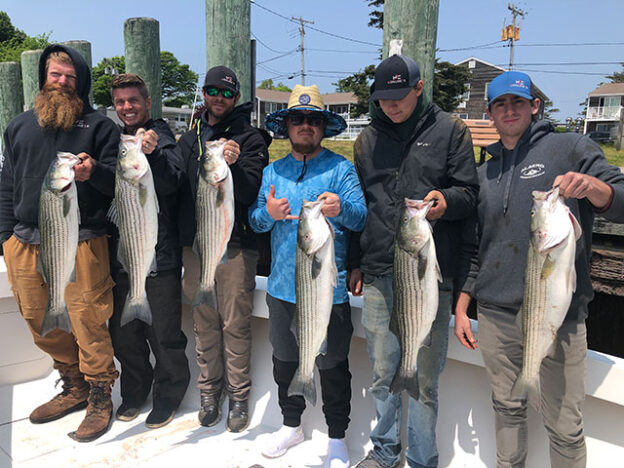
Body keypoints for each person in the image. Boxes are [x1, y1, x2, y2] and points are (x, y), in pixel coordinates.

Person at [454, 71, 624, 468]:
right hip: (496, 317)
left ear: (534, 106)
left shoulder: (570, 147)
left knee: (565, 427)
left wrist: (594, 189)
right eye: (500, 104)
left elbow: (621, 199)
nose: (509, 110)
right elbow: (476, 248)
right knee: (507, 409)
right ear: (491, 114)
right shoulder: (484, 174)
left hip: (559, 320)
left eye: (517, 102)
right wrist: (464, 305)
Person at [350, 54, 479, 468]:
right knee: (383, 373)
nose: (392, 105)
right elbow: (363, 205)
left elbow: (468, 194)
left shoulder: (451, 131)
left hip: (427, 275)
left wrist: (447, 201)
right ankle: (385, 453)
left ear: (419, 88)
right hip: (377, 274)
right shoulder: (367, 139)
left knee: (425, 379)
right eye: (383, 98)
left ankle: (424, 460)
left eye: (400, 96)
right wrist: (356, 260)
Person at [0, 44, 119, 442]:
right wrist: (5, 240)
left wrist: (94, 173)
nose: (62, 83)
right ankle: (74, 384)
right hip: (25, 239)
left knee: (88, 320)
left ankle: (100, 393)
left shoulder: (100, 127)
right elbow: (7, 186)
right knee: (38, 318)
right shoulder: (18, 127)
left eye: (70, 77)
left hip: (82, 238)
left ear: (80, 83)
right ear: (44, 78)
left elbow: (122, 186)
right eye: (56, 75)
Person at [249, 84, 367, 468]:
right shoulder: (272, 171)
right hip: (283, 289)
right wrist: (269, 213)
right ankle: (291, 424)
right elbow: (254, 222)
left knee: (332, 366)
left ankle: (336, 437)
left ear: (323, 127)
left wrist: (340, 207)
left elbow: (361, 217)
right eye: (297, 119)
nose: (304, 126)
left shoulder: (341, 168)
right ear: (286, 126)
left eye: (313, 120)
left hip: (327, 290)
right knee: (285, 361)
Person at [178, 66, 270, 432]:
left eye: (227, 92)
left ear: (235, 98)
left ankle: (239, 396)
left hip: (235, 247)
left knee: (234, 323)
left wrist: (232, 165)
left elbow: (250, 191)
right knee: (204, 323)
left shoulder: (250, 139)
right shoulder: (191, 136)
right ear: (204, 93)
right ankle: (208, 391)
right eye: (212, 90)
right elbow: (176, 183)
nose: (219, 97)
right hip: (196, 246)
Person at [108, 73, 190, 429]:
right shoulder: (114, 139)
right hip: (124, 251)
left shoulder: (162, 136)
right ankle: (134, 391)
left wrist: (153, 153)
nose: (127, 108)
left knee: (165, 335)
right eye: (121, 102)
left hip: (161, 256)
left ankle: (169, 395)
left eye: (133, 101)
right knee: (124, 335)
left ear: (147, 103)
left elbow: (174, 181)